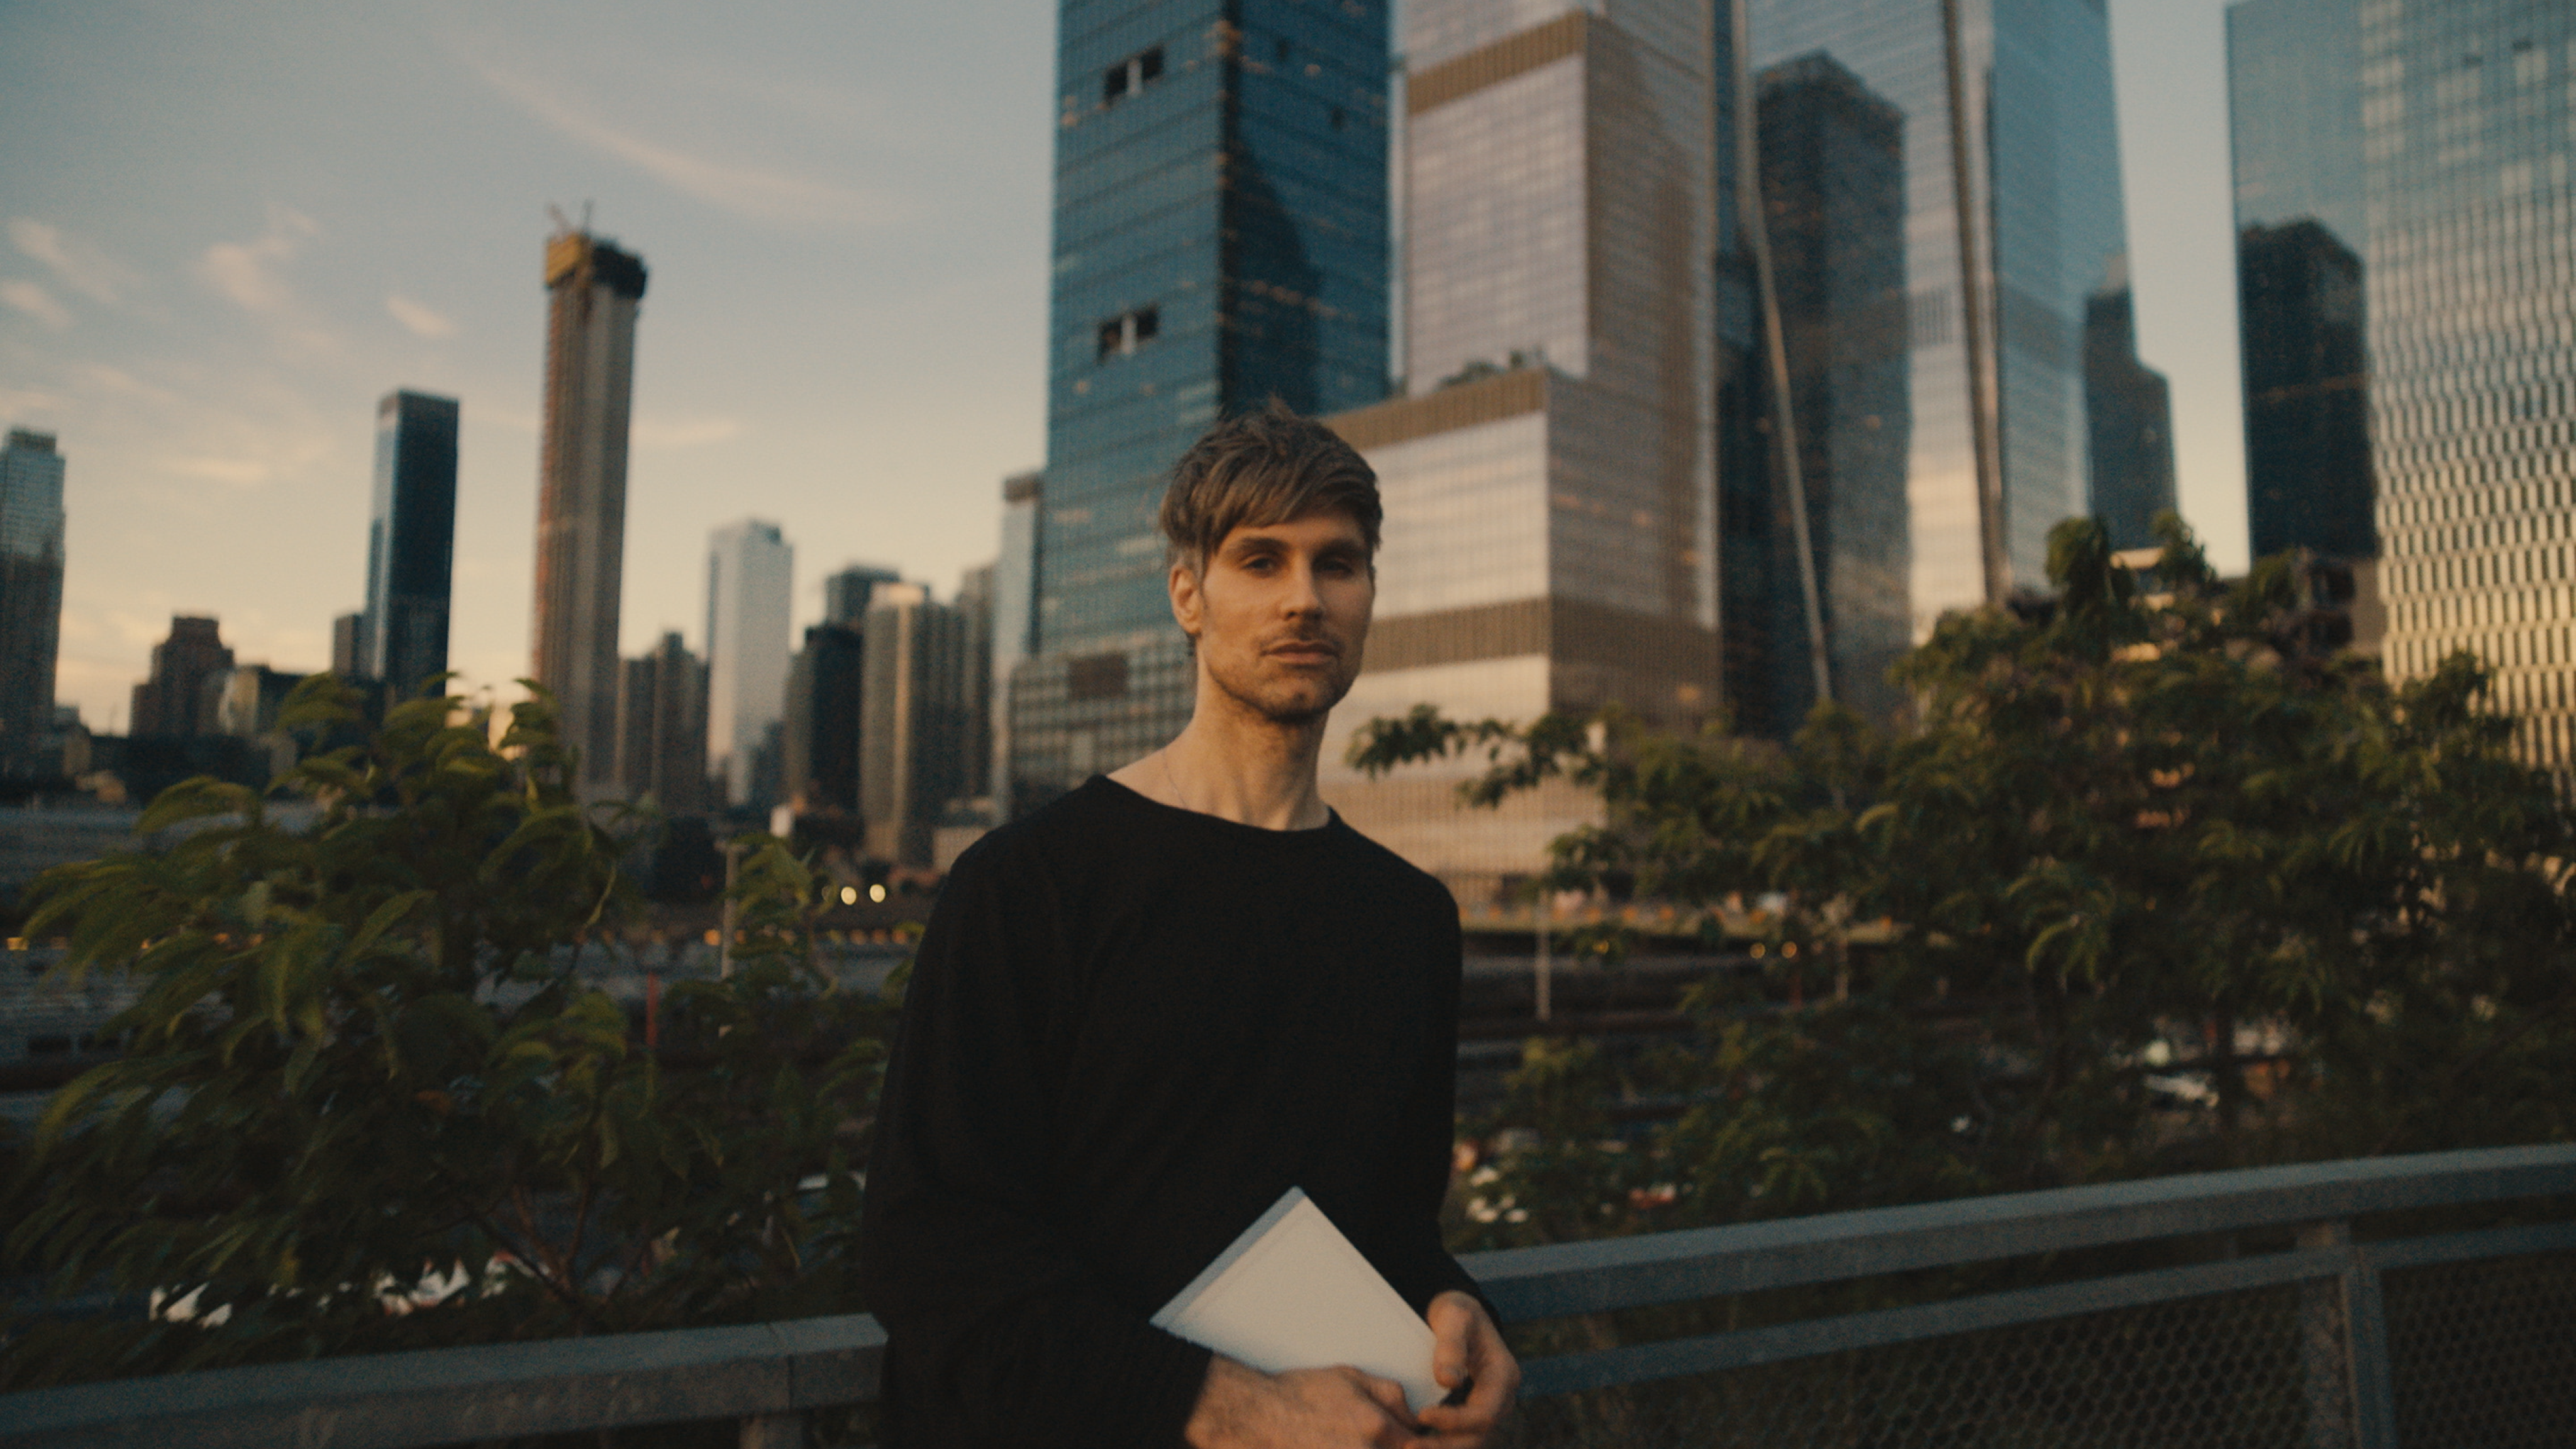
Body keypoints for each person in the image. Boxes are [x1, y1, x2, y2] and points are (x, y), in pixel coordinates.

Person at [858, 402, 1520, 1448]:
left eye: (1336, 566)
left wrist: (1454, 1307)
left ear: (1369, 597)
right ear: (1188, 596)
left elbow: (1389, 1224)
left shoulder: (1409, 919)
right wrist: (1231, 1408)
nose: (1304, 598)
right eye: (1261, 561)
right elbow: (930, 1245)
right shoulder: (1027, 885)